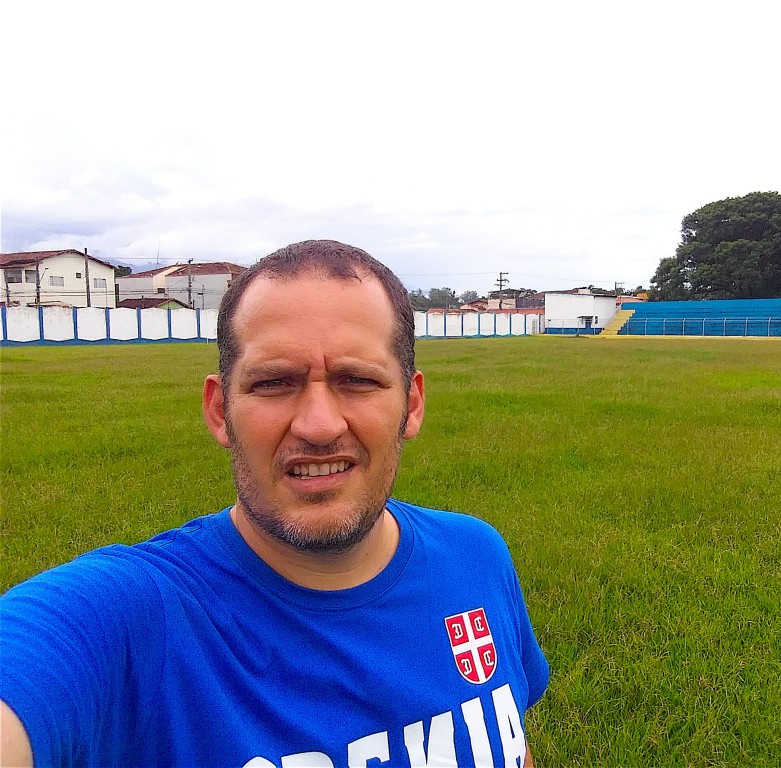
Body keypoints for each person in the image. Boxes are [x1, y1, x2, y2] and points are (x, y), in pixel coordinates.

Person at [0, 240, 549, 767]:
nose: (319, 425)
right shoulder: (130, 618)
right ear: (220, 412)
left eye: (357, 380)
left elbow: (508, 744)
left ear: (412, 404)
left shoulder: (477, 555)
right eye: (274, 383)